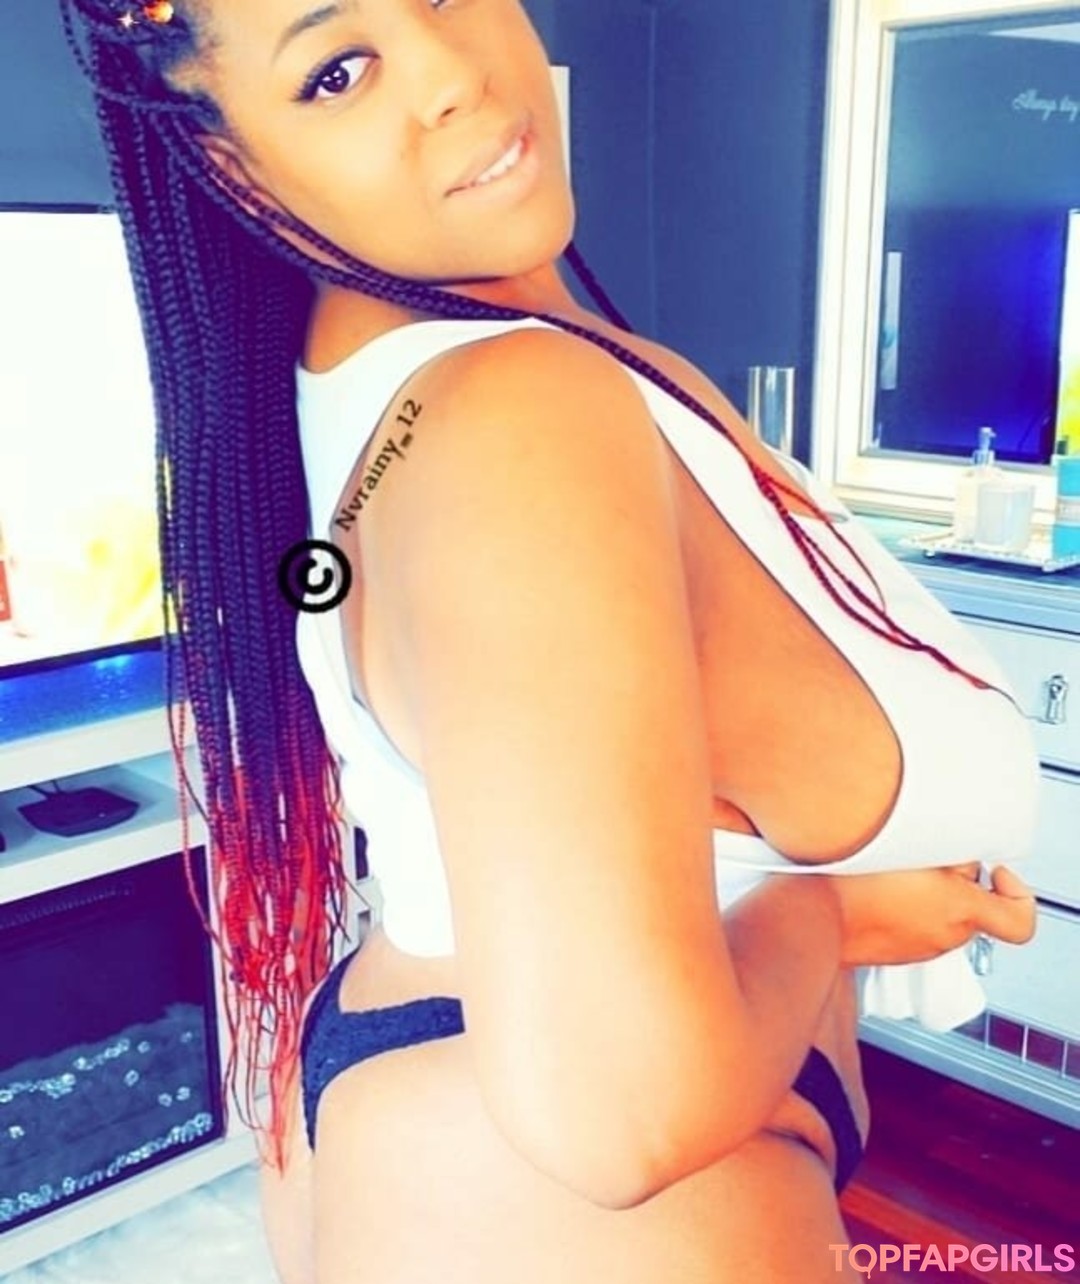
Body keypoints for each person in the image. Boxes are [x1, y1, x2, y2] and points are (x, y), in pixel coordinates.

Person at [60, 0, 1041, 1280]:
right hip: (589, 1192)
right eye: (338, 71)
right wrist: (821, 919)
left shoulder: (401, 375)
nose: (453, 75)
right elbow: (619, 1116)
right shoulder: (515, 410)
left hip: (440, 1094)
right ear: (231, 163)